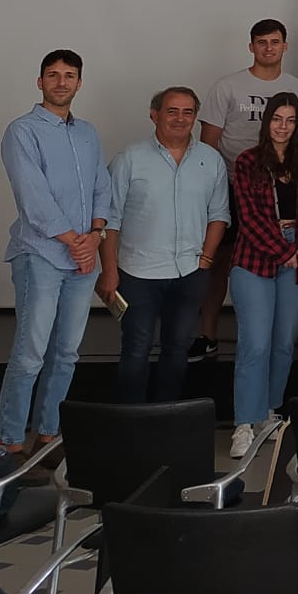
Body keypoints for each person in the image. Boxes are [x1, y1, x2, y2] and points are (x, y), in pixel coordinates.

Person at [0, 49, 110, 452]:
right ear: (40, 81)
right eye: (53, 75)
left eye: (69, 75)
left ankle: (48, 433)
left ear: (79, 83)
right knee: (30, 354)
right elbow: (33, 196)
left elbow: (102, 187)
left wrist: (95, 235)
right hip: (41, 256)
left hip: (82, 259)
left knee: (66, 353)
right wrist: (74, 242)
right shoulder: (22, 131)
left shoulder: (88, 133)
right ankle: (10, 441)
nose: (61, 82)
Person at [196, 21, 298, 359]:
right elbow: (206, 146)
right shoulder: (228, 86)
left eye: (275, 42)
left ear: (285, 46)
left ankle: (265, 337)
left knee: (277, 266)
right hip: (232, 187)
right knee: (222, 261)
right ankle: (207, 333)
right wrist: (215, 188)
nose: (268, 48)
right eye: (261, 42)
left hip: (280, 195)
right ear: (251, 46)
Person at [101, 86, 230, 404]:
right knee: (136, 348)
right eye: (172, 111)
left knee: (177, 348)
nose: (180, 118)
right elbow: (110, 219)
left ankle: (165, 418)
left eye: (188, 112)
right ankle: (131, 421)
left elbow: (219, 215)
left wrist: (207, 259)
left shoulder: (211, 161)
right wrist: (109, 272)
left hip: (189, 272)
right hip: (137, 272)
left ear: (196, 117)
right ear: (154, 114)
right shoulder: (130, 158)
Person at [226, 93, 298, 457]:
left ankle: (268, 413)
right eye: (277, 119)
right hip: (254, 258)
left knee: (283, 343)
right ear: (267, 122)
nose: (283, 126)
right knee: (255, 344)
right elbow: (248, 218)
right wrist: (283, 251)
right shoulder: (248, 161)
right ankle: (244, 424)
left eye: (290, 120)